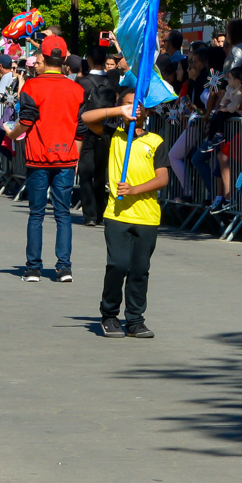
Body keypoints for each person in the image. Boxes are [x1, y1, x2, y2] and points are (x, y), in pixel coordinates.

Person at [81, 87, 171, 338]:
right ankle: (109, 315)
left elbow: (162, 178)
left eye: (138, 105)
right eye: (129, 104)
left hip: (147, 216)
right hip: (117, 214)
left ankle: (135, 320)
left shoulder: (156, 141)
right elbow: (87, 118)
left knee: (140, 269)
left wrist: (134, 190)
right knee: (118, 265)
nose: (134, 108)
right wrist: (117, 110)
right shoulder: (113, 135)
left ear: (147, 109)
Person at [5, 35, 84, 283]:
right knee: (63, 214)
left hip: (39, 157)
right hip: (66, 158)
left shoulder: (32, 86)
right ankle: (64, 267)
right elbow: (80, 129)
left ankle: (33, 268)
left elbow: (26, 121)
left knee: (36, 214)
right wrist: (75, 157)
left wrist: (12, 133)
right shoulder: (77, 89)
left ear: (44, 57)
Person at [75, 42, 117, 227]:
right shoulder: (112, 80)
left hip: (85, 130)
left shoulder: (81, 82)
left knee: (85, 172)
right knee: (101, 172)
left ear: (89, 60)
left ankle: (90, 214)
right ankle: (100, 212)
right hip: (106, 129)